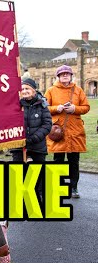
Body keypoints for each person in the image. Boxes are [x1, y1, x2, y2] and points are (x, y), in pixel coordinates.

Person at [44, 65, 90, 198]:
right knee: (58, 160)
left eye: (67, 74)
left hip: (75, 131)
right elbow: (44, 107)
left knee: (74, 161)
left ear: (71, 76)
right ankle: (58, 187)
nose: (65, 76)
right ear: (58, 77)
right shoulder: (51, 90)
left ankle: (73, 187)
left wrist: (75, 108)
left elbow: (86, 107)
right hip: (58, 131)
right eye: (62, 74)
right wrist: (56, 108)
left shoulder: (78, 90)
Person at [10, 77, 52, 200]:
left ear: (34, 90)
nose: (25, 91)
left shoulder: (42, 104)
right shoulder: (15, 105)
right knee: (18, 172)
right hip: (18, 147)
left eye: (27, 88)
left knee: (37, 173)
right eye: (22, 89)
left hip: (37, 146)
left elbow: (47, 124)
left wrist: (33, 138)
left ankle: (38, 197)